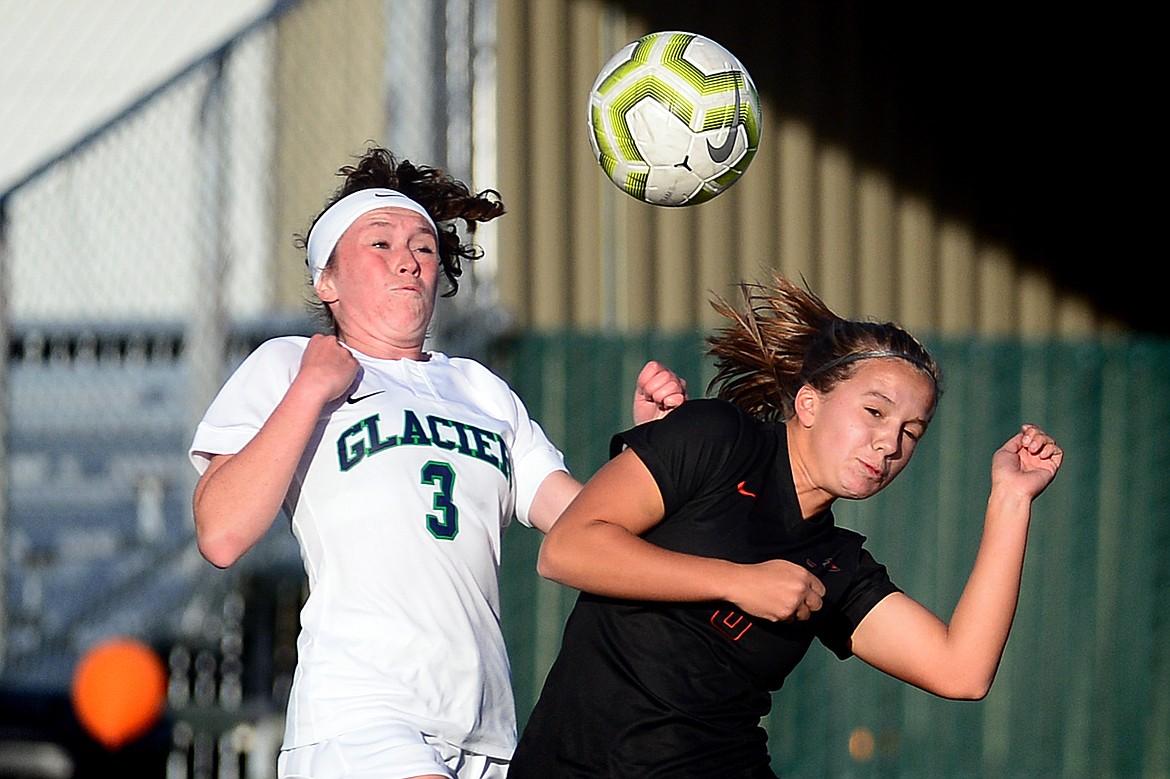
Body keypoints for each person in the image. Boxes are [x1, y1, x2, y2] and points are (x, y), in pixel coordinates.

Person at [187, 146, 687, 779]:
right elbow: (221, 533)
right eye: (379, 244)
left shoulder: (480, 389)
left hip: (486, 727)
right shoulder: (289, 364)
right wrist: (311, 389)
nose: (406, 259)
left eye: (423, 247)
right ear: (327, 282)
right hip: (362, 716)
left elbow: (581, 520)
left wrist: (648, 453)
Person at [509, 272, 1064, 778]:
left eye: (911, 432)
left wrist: (1011, 498)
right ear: (808, 402)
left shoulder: (836, 563)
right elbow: (567, 550)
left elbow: (960, 670)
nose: (889, 443)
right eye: (875, 411)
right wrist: (737, 580)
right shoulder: (715, 438)